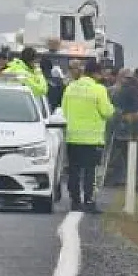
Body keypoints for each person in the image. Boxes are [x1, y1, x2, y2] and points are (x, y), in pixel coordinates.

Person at [61, 58, 115, 212]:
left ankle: (75, 201)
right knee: (90, 171)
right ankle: (89, 202)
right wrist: (112, 109)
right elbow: (106, 111)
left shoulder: (70, 88)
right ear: (96, 74)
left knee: (74, 171)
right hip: (92, 139)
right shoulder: (99, 89)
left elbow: (63, 110)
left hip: (72, 137)